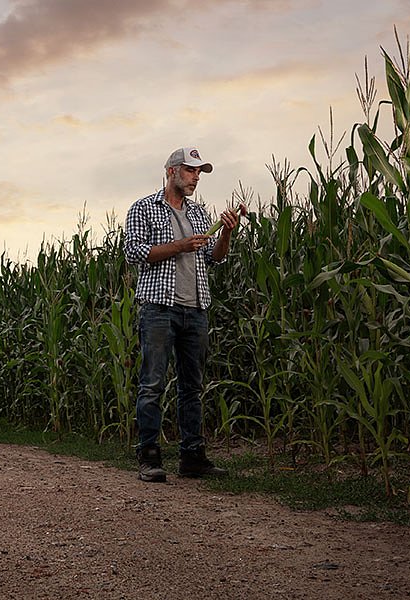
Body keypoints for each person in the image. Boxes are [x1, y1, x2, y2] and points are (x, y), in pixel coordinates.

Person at [122, 146, 239, 482]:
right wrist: (180, 246)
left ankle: (192, 458)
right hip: (159, 308)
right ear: (171, 171)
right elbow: (135, 253)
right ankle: (149, 457)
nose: (195, 178)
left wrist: (227, 232)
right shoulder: (143, 208)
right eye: (190, 171)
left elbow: (213, 259)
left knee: (192, 388)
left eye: (199, 172)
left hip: (195, 308)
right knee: (152, 385)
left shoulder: (200, 214)